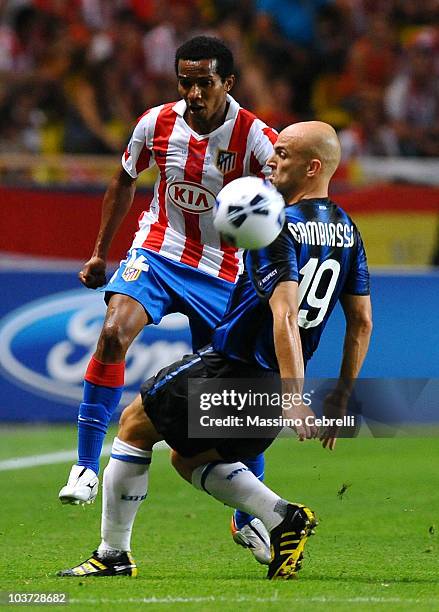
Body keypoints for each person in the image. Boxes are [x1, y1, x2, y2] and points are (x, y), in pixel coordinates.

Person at [58, 120, 372, 580]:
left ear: (313, 167)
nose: (273, 160)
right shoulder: (348, 231)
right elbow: (361, 322)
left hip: (236, 369)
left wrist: (294, 395)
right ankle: (281, 516)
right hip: (264, 393)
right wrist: (340, 397)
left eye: (283, 154)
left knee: (132, 425)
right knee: (188, 458)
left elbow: (283, 312)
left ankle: (112, 555)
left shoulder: (274, 224)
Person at [58, 35, 277, 564]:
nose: (194, 92)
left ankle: (250, 517)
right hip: (158, 248)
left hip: (224, 273)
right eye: (186, 81)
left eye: (205, 82)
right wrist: (97, 253)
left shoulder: (258, 139)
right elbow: (123, 179)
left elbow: (281, 209)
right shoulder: (155, 123)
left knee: (229, 406)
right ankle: (86, 465)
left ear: (229, 83)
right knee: (112, 332)